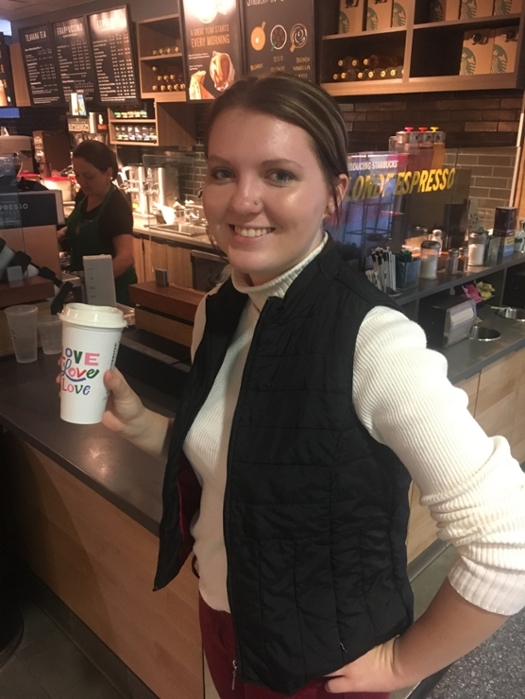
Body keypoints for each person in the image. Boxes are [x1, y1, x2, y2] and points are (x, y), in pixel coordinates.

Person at [99, 74, 525, 698]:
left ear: (334, 194)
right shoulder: (218, 307)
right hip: (229, 630)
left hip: (321, 673)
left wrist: (402, 665)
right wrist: (151, 430)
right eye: (222, 172)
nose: (243, 201)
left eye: (278, 175)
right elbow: (251, 468)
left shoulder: (375, 342)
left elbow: (508, 544)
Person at [64, 140, 137, 306]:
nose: (82, 181)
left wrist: (90, 282)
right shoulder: (83, 196)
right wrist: (62, 233)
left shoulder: (116, 207)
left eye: (88, 176)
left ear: (107, 173)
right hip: (85, 293)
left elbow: (125, 258)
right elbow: (78, 226)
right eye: (77, 175)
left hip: (113, 295)